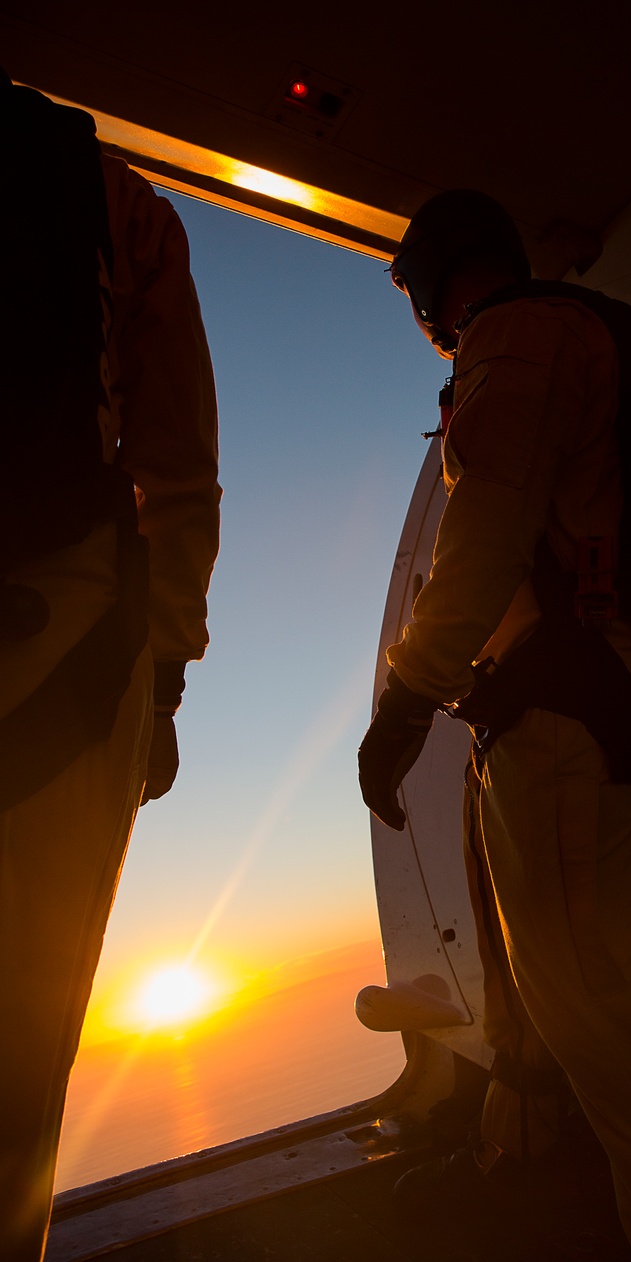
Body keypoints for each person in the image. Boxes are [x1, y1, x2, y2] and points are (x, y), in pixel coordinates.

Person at [359, 190, 631, 1260]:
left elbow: (487, 527)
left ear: (439, 284)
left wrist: (402, 700)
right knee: (578, 998)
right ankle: (556, 1167)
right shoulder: (571, 336)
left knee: (609, 1017)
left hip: (568, 711)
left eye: (420, 298)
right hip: (570, 705)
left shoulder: (517, 337)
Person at [0, 76, 221, 1261]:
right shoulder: (112, 200)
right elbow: (176, 468)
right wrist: (166, 673)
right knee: (14, 1082)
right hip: (58, 660)